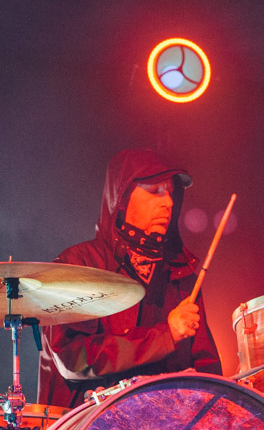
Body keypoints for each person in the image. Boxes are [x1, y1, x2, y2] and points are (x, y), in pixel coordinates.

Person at [37, 148, 222, 408]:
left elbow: (208, 369)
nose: (168, 202)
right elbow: (72, 359)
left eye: (170, 192)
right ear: (121, 199)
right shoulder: (79, 265)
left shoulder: (180, 273)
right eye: (155, 190)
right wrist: (165, 335)